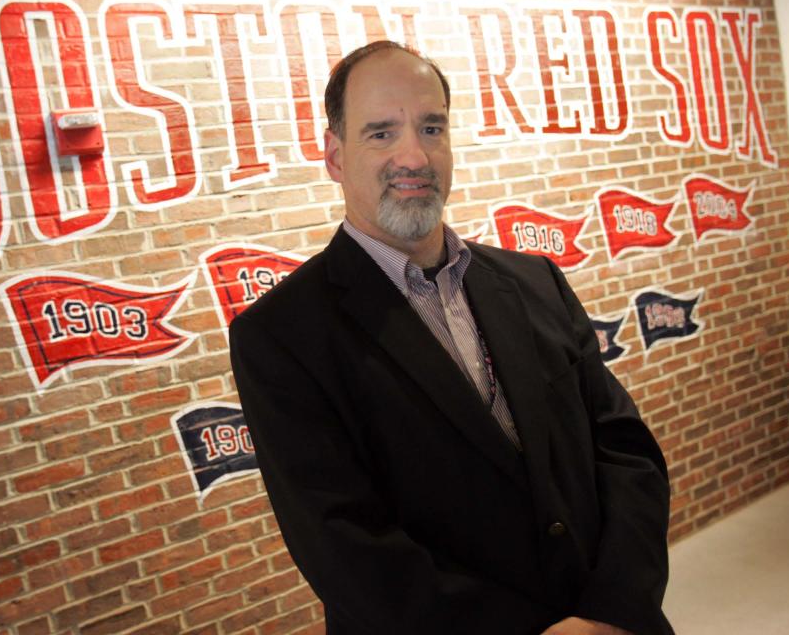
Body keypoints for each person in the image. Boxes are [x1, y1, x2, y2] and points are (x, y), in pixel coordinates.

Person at [228, 40, 673, 635]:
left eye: (431, 127)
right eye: (381, 133)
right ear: (335, 155)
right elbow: (345, 548)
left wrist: (612, 609)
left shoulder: (534, 281)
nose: (414, 155)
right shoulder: (281, 337)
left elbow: (625, 451)